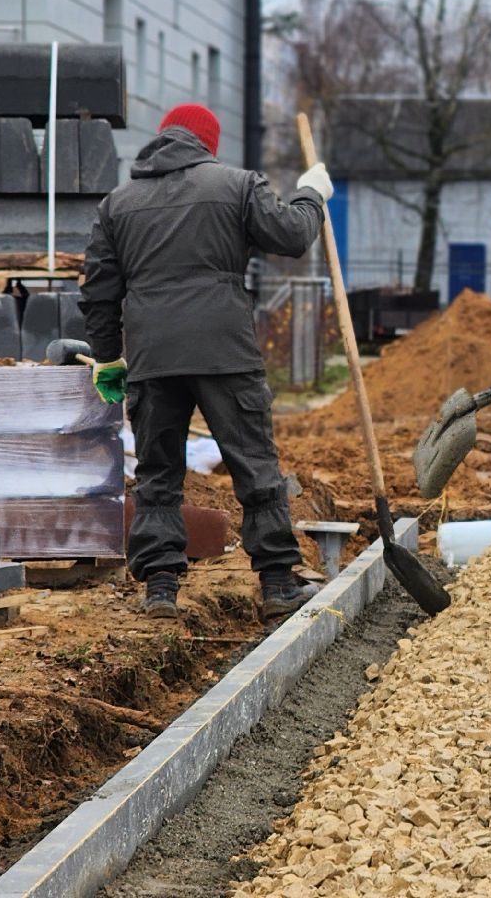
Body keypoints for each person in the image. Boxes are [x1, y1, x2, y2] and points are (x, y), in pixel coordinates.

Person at [81, 104, 334, 620]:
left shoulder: (118, 203)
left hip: (153, 355)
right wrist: (313, 193)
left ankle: (160, 587)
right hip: (224, 349)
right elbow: (291, 235)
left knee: (157, 470)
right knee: (253, 462)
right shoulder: (237, 185)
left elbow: (99, 293)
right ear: (207, 145)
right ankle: (278, 585)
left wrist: (109, 358)